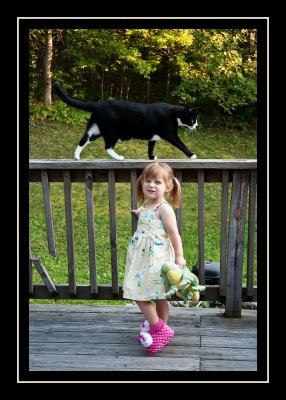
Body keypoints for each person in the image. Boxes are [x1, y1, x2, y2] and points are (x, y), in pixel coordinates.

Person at [123, 162, 186, 354]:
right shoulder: (147, 205)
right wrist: (140, 213)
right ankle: (159, 329)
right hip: (142, 258)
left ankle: (159, 328)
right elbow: (148, 215)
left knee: (138, 293)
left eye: (157, 182)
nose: (151, 185)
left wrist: (179, 256)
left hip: (156, 259)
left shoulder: (164, 208)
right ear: (142, 183)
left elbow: (174, 234)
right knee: (157, 296)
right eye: (147, 180)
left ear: (168, 187)